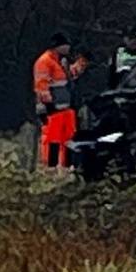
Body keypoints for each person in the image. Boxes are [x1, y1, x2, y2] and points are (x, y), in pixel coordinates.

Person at [32, 33, 88, 170]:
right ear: (58, 46)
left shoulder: (60, 61)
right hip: (53, 109)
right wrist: (48, 105)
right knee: (53, 140)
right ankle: (51, 168)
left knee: (68, 139)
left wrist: (82, 62)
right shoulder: (44, 61)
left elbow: (70, 75)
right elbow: (41, 85)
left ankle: (66, 166)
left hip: (66, 108)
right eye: (66, 44)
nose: (68, 47)